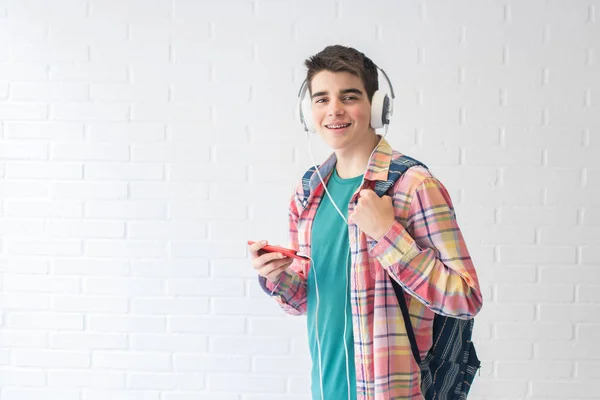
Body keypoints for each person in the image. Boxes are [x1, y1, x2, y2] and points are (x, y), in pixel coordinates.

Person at [248, 45, 483, 400]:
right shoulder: (309, 191)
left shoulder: (413, 186)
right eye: (321, 99)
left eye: (349, 96)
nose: (334, 110)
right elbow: (305, 300)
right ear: (308, 111)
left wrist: (388, 236)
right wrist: (275, 276)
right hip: (326, 389)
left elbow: (465, 298)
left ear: (376, 106)